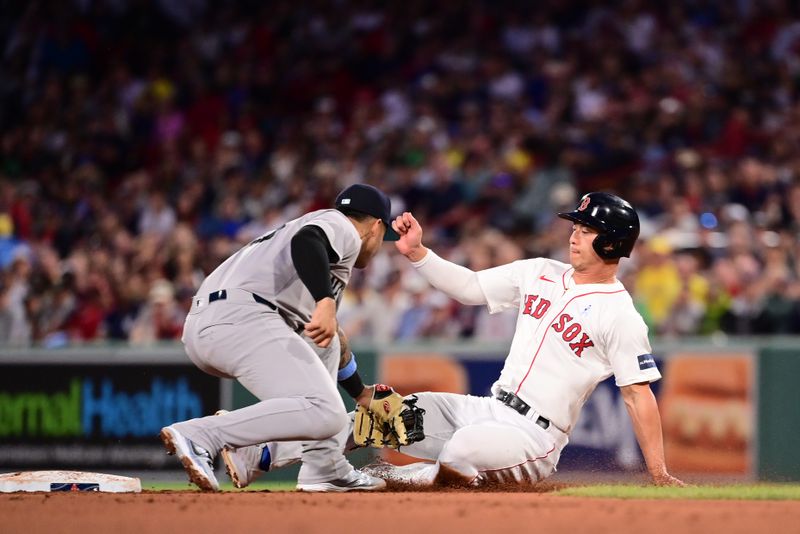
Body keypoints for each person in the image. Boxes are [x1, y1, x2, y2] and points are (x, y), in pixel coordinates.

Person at [222, 191, 684, 488]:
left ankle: (386, 479)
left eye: (587, 231)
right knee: (382, 416)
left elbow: (637, 394)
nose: (575, 237)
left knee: (463, 452)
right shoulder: (540, 273)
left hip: (534, 437)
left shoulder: (621, 314)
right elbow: (470, 288)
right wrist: (421, 255)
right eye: (576, 228)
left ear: (612, 244)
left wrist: (658, 472)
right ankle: (256, 455)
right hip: (490, 406)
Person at [160, 183, 399, 492]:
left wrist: (360, 393)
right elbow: (307, 241)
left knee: (325, 343)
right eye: (384, 237)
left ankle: (324, 468)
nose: (380, 245)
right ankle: (203, 434)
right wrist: (324, 301)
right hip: (241, 318)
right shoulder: (342, 227)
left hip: (225, 321)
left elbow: (333, 340)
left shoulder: (325, 247)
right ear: (377, 226)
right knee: (327, 413)